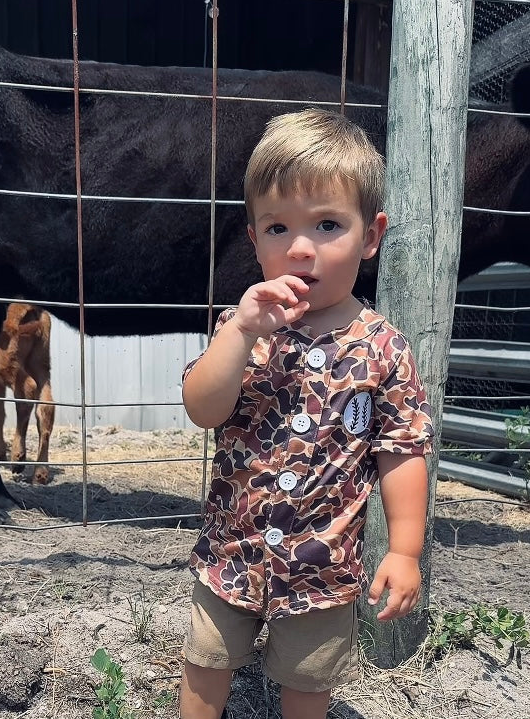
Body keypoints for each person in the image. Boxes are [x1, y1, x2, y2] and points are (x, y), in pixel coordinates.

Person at [179, 109, 433, 719]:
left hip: (323, 566)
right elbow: (202, 408)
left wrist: (403, 549)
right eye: (276, 228)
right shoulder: (243, 329)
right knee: (206, 661)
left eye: (326, 225)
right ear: (253, 238)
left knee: (309, 681)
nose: (299, 248)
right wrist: (240, 330)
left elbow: (402, 450)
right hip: (231, 554)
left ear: (371, 236)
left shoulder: (382, 348)